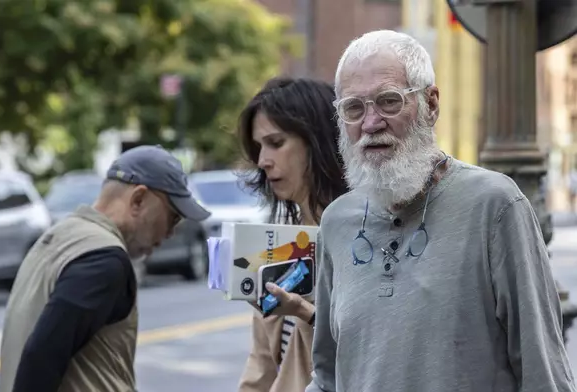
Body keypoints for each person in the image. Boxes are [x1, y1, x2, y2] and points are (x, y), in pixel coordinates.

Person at [307, 30, 576, 392]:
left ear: (431, 104)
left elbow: (543, 374)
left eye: (389, 101)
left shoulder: (494, 206)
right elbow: (327, 378)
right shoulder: (337, 222)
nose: (370, 124)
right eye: (353, 108)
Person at [0, 145, 210, 392]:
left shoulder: (59, 238)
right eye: (172, 217)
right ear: (138, 200)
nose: (171, 232)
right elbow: (42, 353)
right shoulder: (103, 259)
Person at [236, 77, 348, 392]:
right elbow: (261, 365)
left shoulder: (364, 236)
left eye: (276, 143)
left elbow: (371, 357)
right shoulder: (280, 241)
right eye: (258, 147)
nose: (262, 161)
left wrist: (305, 314)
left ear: (317, 142)